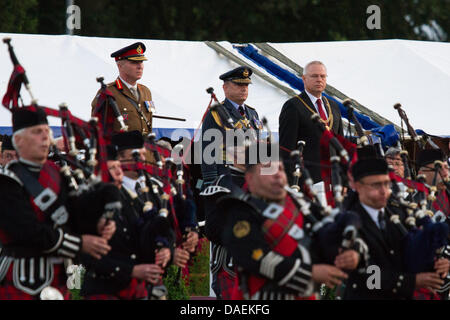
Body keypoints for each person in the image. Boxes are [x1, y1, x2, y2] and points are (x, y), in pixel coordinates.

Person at [0, 107, 116, 300]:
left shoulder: (58, 175)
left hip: (60, 279)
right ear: (19, 141)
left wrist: (99, 224)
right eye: (37, 132)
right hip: (21, 280)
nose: (46, 138)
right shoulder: (6, 181)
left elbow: (74, 217)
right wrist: (80, 243)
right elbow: (28, 232)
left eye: (47, 132)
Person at [218, 143, 357, 300]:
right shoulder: (240, 209)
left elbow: (331, 229)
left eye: (281, 169)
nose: (278, 175)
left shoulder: (302, 204)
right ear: (249, 178)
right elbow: (255, 258)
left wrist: (350, 252)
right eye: (269, 168)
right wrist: (310, 273)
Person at [344, 151, 449, 299]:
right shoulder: (349, 220)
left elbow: (409, 252)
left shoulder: (399, 211)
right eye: (376, 184)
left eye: (386, 184)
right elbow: (365, 277)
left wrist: (437, 264)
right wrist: (413, 281)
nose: (383, 191)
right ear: (357, 186)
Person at [81, 145, 172, 300]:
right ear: (98, 173)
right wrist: (131, 270)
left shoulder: (130, 199)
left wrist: (166, 249)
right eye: (111, 168)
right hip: (103, 290)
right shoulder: (88, 204)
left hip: (135, 290)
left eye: (118, 167)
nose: (118, 172)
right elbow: (89, 257)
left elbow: (149, 230)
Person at [279, 61, 343, 187]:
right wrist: (293, 184)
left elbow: (340, 145)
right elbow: (286, 149)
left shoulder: (333, 106)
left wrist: (344, 180)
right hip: (307, 181)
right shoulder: (293, 106)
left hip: (334, 180)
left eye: (322, 76)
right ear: (304, 79)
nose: (319, 80)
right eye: (314, 76)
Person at [201, 66, 262, 187]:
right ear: (225, 88)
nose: (244, 89)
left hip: (250, 177)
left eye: (246, 85)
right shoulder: (216, 113)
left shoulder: (252, 113)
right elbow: (208, 151)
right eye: (239, 85)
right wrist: (211, 182)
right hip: (227, 176)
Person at [91, 42, 153, 135]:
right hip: (120, 148)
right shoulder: (108, 92)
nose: (140, 66)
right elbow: (97, 127)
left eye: (141, 62)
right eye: (134, 62)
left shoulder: (146, 92)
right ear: (120, 66)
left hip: (145, 147)